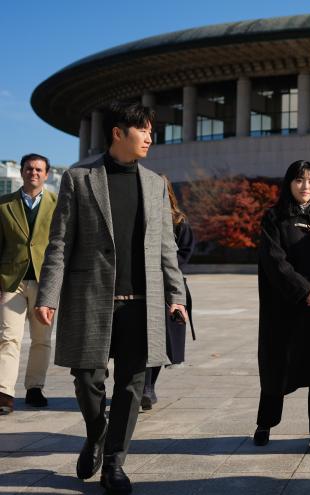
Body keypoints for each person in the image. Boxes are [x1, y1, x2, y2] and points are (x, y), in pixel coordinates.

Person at [35, 102, 187, 494]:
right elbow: (60, 243)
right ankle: (96, 432)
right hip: (91, 297)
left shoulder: (155, 183)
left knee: (133, 384)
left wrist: (176, 295)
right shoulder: (79, 178)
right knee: (87, 378)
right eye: (144, 131)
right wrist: (48, 294)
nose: (151, 138)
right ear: (119, 133)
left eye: (152, 131)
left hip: (143, 301)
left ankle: (114, 463)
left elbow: (165, 247)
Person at [253, 160, 310, 454]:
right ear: (288, 183)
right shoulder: (274, 218)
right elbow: (275, 261)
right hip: (286, 308)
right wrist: (305, 290)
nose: (305, 186)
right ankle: (265, 424)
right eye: (299, 180)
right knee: (277, 368)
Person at [0, 153, 57, 414]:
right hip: (11, 281)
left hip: (45, 282)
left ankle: (35, 388)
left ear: (46, 174)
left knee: (41, 338)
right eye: (29, 169)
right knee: (7, 337)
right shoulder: (3, 205)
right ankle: (4, 393)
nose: (33, 173)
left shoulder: (58, 205)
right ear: (22, 172)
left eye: (38, 169)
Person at [141, 176, 196, 410]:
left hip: (170, 289)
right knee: (143, 340)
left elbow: (185, 252)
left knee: (163, 341)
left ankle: (148, 387)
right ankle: (141, 387)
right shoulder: (140, 217)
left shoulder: (179, 221)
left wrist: (166, 270)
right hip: (142, 287)